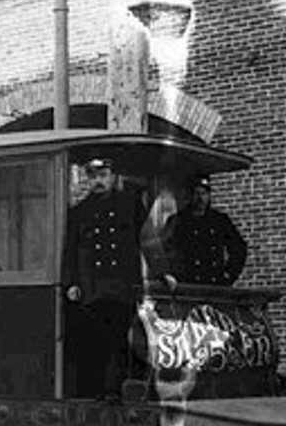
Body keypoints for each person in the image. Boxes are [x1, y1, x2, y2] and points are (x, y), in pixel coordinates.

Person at [62, 156, 151, 398]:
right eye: (93, 177)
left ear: (113, 177)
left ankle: (118, 391)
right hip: (92, 289)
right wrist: (71, 283)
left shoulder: (130, 205)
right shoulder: (79, 212)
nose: (98, 182)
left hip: (123, 286)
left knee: (123, 341)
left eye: (103, 176)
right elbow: (70, 250)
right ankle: (97, 393)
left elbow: (149, 240)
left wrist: (163, 272)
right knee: (95, 342)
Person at [161, 175, 247, 286]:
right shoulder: (178, 221)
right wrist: (169, 274)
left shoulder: (219, 220)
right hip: (188, 284)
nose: (200, 198)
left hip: (214, 283)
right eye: (197, 193)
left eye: (204, 193)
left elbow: (238, 248)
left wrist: (229, 274)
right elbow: (163, 248)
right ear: (190, 196)